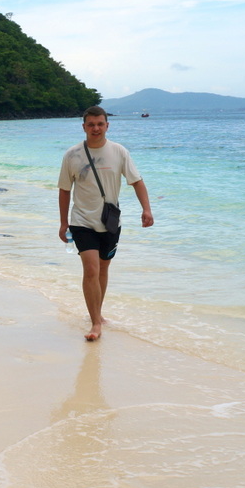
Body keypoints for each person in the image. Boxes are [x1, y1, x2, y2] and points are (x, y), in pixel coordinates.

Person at [58, 105, 154, 341]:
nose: (96, 128)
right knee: (90, 269)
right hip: (82, 221)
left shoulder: (119, 152)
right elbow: (64, 190)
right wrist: (63, 223)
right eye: (91, 124)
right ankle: (95, 324)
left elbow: (137, 182)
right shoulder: (72, 155)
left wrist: (147, 209)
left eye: (100, 124)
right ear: (84, 127)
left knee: (103, 269)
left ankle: (97, 314)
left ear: (107, 125)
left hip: (110, 221)